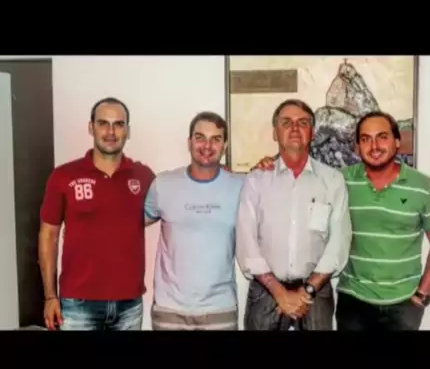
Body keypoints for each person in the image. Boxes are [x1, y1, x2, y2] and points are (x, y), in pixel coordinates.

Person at [39, 98, 156, 331]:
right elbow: (48, 235)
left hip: (129, 305)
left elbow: (174, 200)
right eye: (103, 123)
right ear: (91, 127)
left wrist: (217, 172)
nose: (111, 132)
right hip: (77, 305)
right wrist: (50, 296)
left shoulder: (143, 176)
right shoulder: (64, 176)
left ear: (128, 130)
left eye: (118, 124)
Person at [235, 100, 352, 331]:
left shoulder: (332, 181)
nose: (295, 128)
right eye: (286, 123)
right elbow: (246, 241)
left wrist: (307, 290)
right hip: (265, 290)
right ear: (275, 133)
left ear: (313, 133)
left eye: (303, 123)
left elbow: (338, 242)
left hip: (316, 290)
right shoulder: (256, 180)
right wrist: (279, 292)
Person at [335, 111, 430, 330]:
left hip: (404, 304)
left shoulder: (423, 186)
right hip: (353, 300)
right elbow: (307, 180)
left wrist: (422, 294)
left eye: (382, 137)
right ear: (358, 147)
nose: (374, 146)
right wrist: (270, 166)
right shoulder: (340, 180)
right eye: (366, 139)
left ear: (397, 141)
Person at [144, 111, 245, 331]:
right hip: (169, 309)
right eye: (200, 138)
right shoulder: (163, 184)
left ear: (225, 146)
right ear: (189, 142)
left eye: (215, 139)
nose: (207, 145)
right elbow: (129, 223)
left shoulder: (241, 186)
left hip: (220, 308)